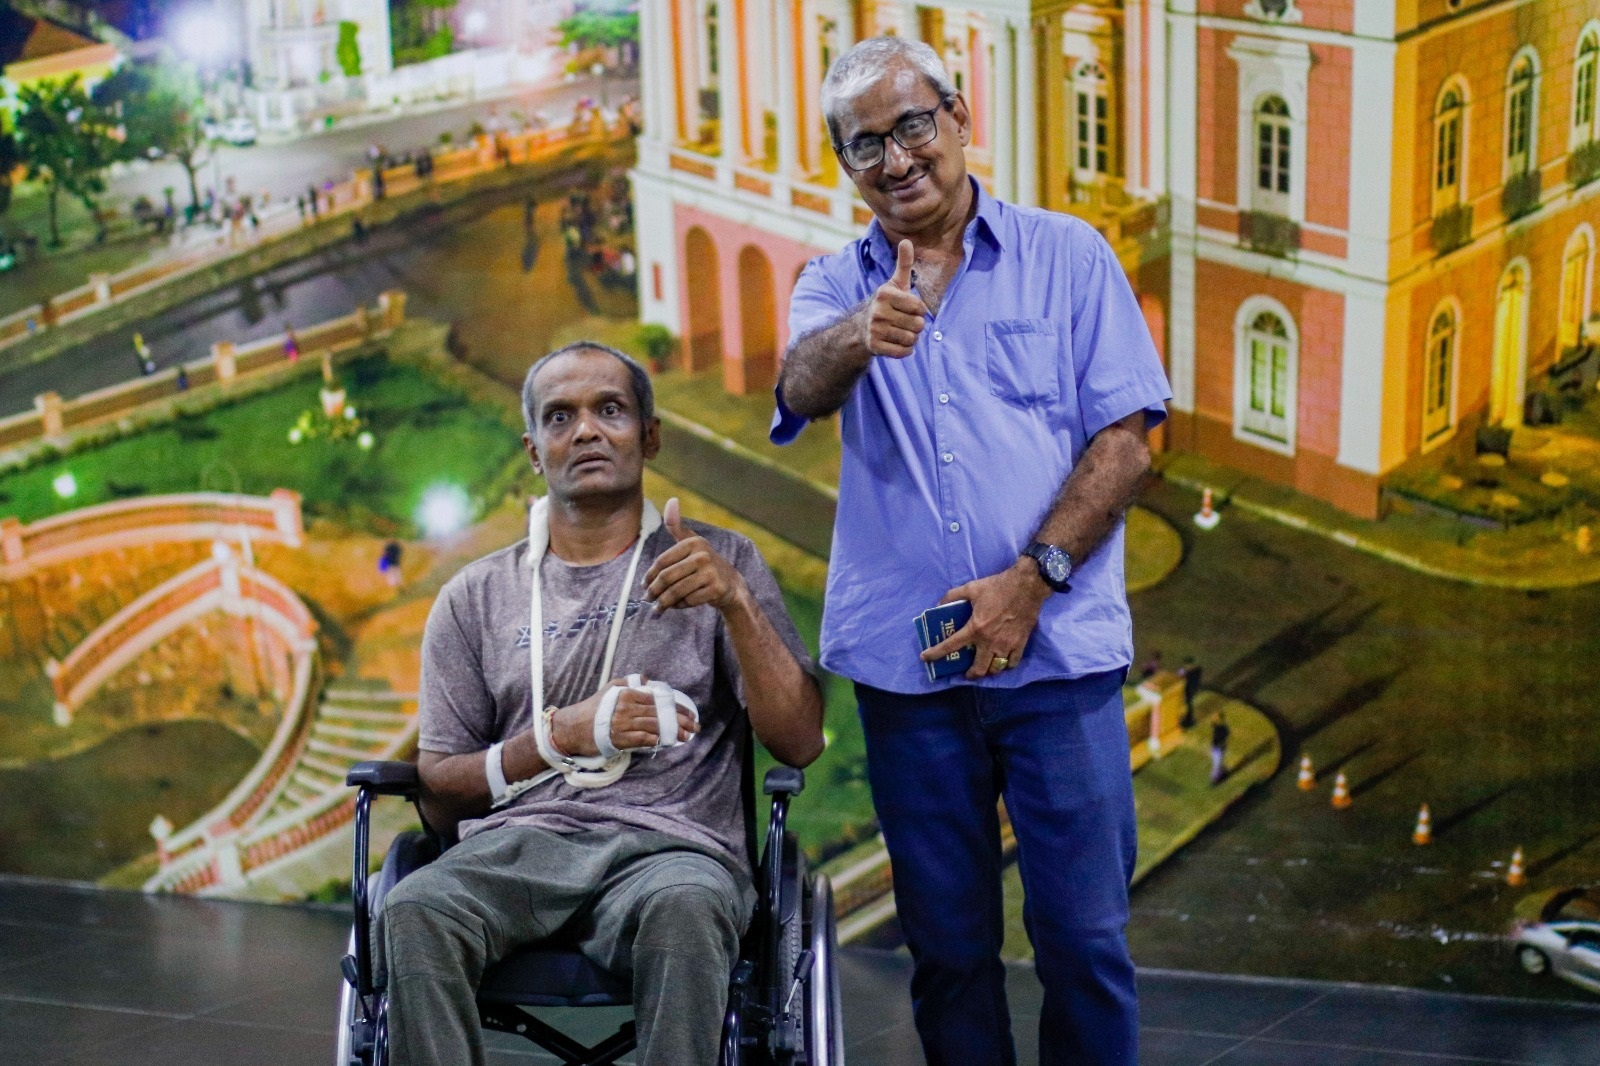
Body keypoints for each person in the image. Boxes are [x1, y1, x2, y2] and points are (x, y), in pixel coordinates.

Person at [770, 36, 1170, 1066]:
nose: (898, 158)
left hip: (1058, 663)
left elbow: (1127, 444)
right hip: (913, 680)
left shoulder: (1068, 255)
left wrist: (1029, 585)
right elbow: (798, 386)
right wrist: (862, 331)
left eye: (913, 125)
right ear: (846, 166)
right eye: (866, 144)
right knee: (948, 953)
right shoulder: (832, 284)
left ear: (958, 116)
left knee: (1084, 944)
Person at [375, 342, 825, 1066]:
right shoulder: (474, 598)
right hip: (518, 850)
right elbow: (439, 784)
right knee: (413, 907)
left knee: (687, 907)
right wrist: (559, 739)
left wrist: (736, 603)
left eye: (609, 410)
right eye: (560, 417)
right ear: (534, 450)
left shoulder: (720, 563)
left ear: (649, 435)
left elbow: (800, 742)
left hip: (673, 850)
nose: (585, 430)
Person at [1180, 655, 1202, 728]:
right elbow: (1180, 675)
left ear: (1191, 665)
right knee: (1189, 704)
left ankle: (1190, 719)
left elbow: (1190, 681)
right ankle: (1189, 718)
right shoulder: (1190, 671)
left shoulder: (1195, 672)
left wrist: (1185, 674)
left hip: (1191, 689)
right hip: (1188, 689)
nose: (1185, 667)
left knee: (1189, 704)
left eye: (1187, 665)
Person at [1210, 712, 1231, 785]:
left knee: (1218, 761)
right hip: (1218, 748)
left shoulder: (1219, 728)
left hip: (1217, 747)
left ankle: (1222, 772)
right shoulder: (1223, 729)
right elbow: (1227, 731)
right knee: (1217, 763)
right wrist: (1221, 718)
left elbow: (1214, 724)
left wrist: (1219, 718)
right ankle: (1214, 779)